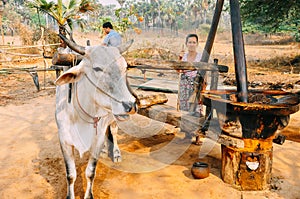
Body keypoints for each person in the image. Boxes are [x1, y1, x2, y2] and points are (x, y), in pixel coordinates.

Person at [178, 33, 204, 144]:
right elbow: (178, 70)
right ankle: (187, 134)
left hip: (196, 85)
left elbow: (204, 73)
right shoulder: (184, 56)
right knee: (185, 109)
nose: (192, 44)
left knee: (197, 109)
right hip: (184, 84)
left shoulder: (200, 57)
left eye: (194, 42)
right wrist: (179, 59)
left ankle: (198, 136)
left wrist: (203, 86)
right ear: (186, 44)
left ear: (197, 44)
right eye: (190, 42)